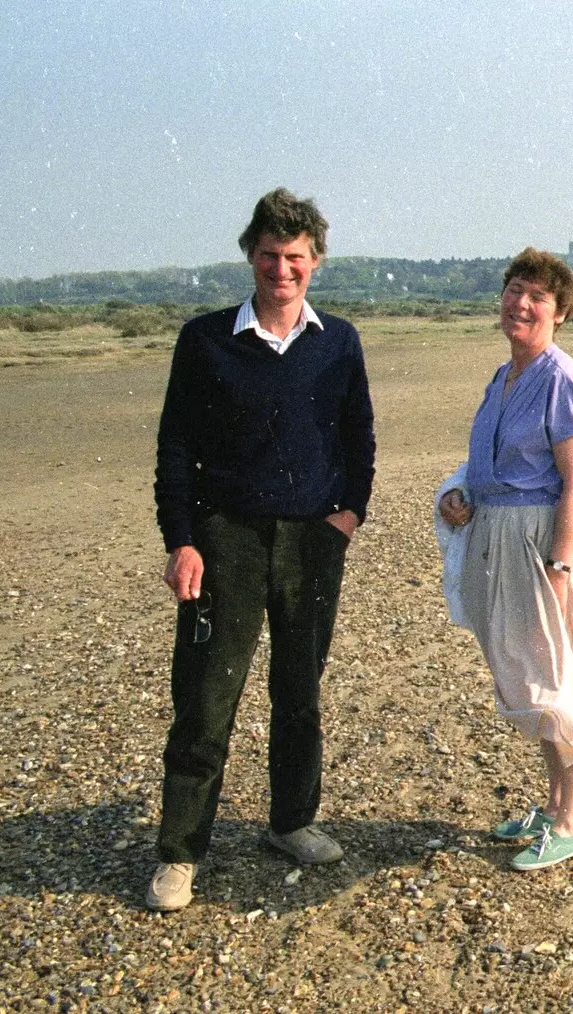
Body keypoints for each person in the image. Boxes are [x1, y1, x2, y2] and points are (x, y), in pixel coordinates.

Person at [148, 188, 375, 911]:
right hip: (227, 542)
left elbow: (358, 436)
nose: (284, 269)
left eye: (297, 258)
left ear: (316, 262)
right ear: (251, 255)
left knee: (299, 694)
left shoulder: (338, 340)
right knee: (207, 698)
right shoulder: (207, 339)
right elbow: (175, 449)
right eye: (272, 256)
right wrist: (182, 540)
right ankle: (180, 851)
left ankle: (292, 821)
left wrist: (347, 516)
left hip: (312, 541)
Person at [436, 247, 573, 871]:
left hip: (539, 545)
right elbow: (491, 467)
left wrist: (562, 565)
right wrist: (460, 495)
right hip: (499, 537)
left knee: (555, 677)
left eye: (538, 297)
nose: (521, 304)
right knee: (527, 673)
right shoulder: (503, 378)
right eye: (515, 290)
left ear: (561, 312)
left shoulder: (560, 377)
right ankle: (553, 807)